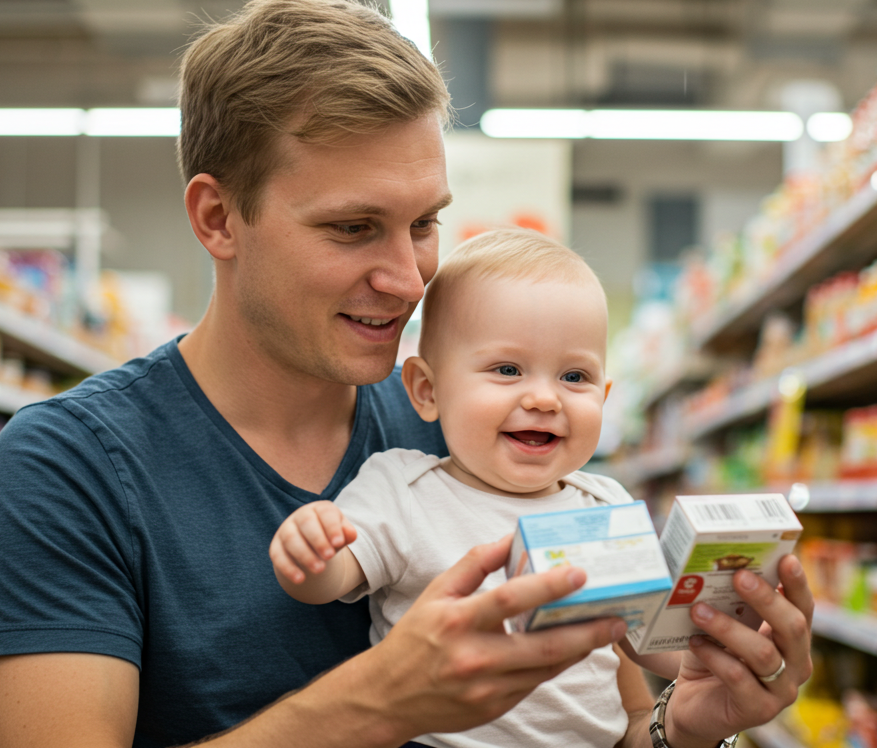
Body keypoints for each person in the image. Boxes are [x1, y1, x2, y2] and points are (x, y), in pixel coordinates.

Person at [0, 0, 815, 748]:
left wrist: (691, 728)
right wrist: (378, 704)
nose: (410, 279)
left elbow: (615, 716)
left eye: (423, 223)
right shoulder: (67, 468)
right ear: (219, 218)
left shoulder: (480, 433)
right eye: (351, 227)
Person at [271, 230, 684, 747]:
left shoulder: (606, 505)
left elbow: (654, 640)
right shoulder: (404, 489)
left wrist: (722, 650)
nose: (543, 398)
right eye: (507, 369)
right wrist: (310, 551)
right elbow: (328, 581)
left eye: (574, 376)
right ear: (427, 389)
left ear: (604, 396)